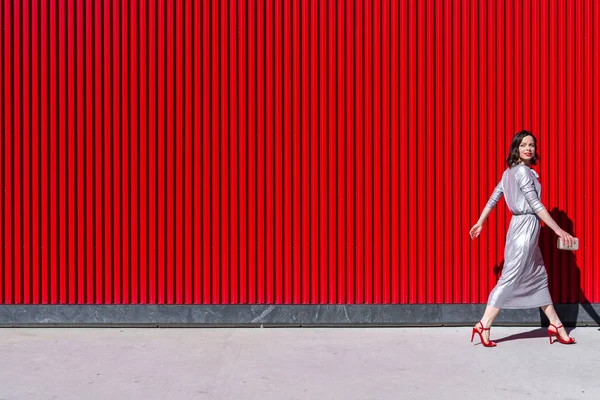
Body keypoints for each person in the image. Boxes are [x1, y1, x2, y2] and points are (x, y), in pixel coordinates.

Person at [469, 131, 577, 347]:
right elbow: (535, 205)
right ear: (516, 148)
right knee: (509, 278)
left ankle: (556, 325)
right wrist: (558, 230)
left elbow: (494, 197)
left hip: (518, 228)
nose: (529, 148)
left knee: (538, 277)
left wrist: (481, 221)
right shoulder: (523, 173)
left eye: (532, 145)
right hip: (526, 229)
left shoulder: (508, 173)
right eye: (524, 144)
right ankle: (484, 324)